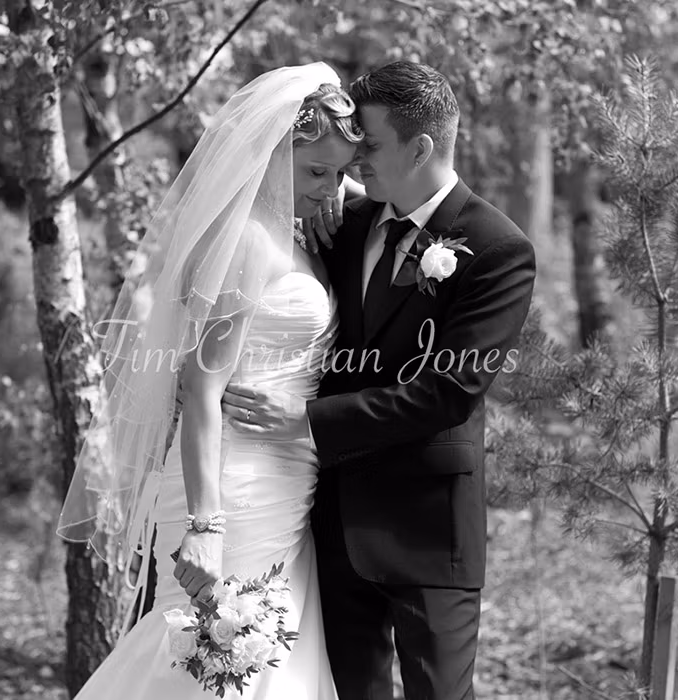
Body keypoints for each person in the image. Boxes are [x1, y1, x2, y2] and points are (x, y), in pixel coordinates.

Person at [221, 61, 537, 699]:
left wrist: (307, 423)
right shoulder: (341, 222)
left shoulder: (498, 248)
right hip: (329, 523)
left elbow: (448, 394)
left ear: (420, 147)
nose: (355, 161)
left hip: (427, 529)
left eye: (368, 145)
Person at [56, 62, 361, 699]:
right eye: (314, 171)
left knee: (269, 663)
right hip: (230, 488)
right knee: (212, 661)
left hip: (287, 484)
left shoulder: (298, 232)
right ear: (272, 154)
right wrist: (205, 527)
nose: (329, 187)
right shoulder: (246, 240)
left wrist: (335, 185)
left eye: (338, 172)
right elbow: (201, 393)